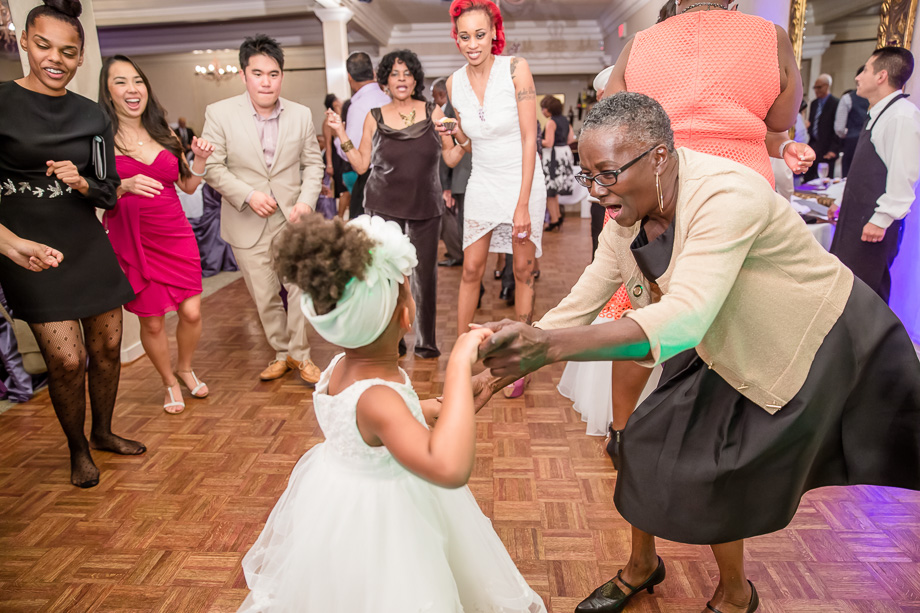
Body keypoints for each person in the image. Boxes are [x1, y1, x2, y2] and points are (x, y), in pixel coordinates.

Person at [473, 92, 920, 613]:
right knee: (635, 443)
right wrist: (521, 352)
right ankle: (644, 567)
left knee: (722, 470)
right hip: (723, 339)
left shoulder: (726, 193)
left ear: (659, 156)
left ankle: (736, 594)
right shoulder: (625, 215)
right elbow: (593, 286)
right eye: (588, 176)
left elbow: (686, 314)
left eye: (607, 174)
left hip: (817, 338)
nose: (597, 192)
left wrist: (549, 347)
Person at [237, 214, 546, 613]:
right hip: (385, 521)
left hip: (339, 503)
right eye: (407, 292)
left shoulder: (342, 369)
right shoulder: (378, 396)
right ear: (405, 316)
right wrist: (457, 367)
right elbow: (448, 466)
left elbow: (388, 423)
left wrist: (459, 398)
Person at [585, 0, 813, 445]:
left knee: (645, 316)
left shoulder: (641, 43)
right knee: (738, 322)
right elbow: (781, 119)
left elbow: (612, 111)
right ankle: (732, 437)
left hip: (662, 196)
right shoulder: (770, 36)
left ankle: (622, 431)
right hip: (737, 198)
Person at [0, 0, 145, 488]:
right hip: (27, 249)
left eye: (67, 51)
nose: (54, 59)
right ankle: (77, 448)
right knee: (66, 359)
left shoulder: (91, 116)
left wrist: (81, 182)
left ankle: (103, 431)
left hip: (85, 242)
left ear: (81, 57)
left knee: (107, 347)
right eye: (43, 46)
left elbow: (108, 189)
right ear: (24, 41)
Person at [202, 34, 325, 384]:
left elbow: (314, 165)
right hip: (246, 218)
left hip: (292, 218)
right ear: (244, 76)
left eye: (273, 73)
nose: (266, 81)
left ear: (281, 76)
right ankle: (282, 352)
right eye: (258, 73)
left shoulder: (300, 115)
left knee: (300, 287)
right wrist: (248, 195)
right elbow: (213, 167)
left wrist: (305, 201)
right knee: (265, 295)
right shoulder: (220, 113)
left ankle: (302, 356)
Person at [328, 50, 466, 359]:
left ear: (415, 78)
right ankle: (393, 339)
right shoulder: (373, 116)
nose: (401, 79)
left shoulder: (435, 112)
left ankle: (426, 342)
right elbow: (362, 165)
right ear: (386, 81)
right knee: (387, 277)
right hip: (383, 207)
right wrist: (339, 133)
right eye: (394, 73)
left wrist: (463, 139)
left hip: (425, 208)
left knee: (425, 277)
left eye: (407, 73)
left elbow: (451, 156)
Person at [99, 55, 215, 414]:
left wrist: (199, 159)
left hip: (174, 233)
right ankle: (168, 382)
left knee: (192, 312)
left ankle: (185, 368)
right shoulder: (100, 141)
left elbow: (189, 186)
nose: (132, 89)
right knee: (151, 320)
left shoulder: (164, 133)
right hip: (133, 239)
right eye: (120, 82)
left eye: (137, 80)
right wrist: (123, 185)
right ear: (108, 92)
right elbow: (93, 193)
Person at [446, 0, 547, 398]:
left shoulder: (515, 69)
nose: (473, 44)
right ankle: (461, 357)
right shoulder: (454, 84)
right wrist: (451, 136)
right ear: (457, 38)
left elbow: (528, 138)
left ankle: (519, 359)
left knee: (522, 271)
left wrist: (521, 204)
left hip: (523, 180)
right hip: (483, 181)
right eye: (464, 36)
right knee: (471, 270)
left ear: (494, 34)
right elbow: (467, 146)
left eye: (480, 35)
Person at [829, 47, 920, 304]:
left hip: (873, 226)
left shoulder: (902, 116)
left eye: (865, 70)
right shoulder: (880, 113)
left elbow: (904, 176)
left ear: (881, 76)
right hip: (857, 219)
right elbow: (867, 170)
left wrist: (881, 219)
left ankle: (874, 345)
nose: (858, 77)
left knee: (867, 299)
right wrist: (840, 198)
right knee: (847, 291)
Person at [335, 52, 391, 220]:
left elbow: (353, 153)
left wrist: (339, 140)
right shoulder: (388, 99)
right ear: (373, 72)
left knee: (366, 238)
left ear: (349, 77)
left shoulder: (358, 106)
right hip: (394, 177)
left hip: (370, 180)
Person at [432, 77, 472, 267]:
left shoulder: (448, 112)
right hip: (466, 176)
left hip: (462, 175)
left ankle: (463, 258)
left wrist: (445, 185)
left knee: (461, 223)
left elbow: (445, 151)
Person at [540, 94, 576, 231]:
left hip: (553, 157)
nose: (543, 111)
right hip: (564, 153)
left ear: (548, 109)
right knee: (554, 191)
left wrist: (535, 139)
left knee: (550, 190)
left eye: (543, 108)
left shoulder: (551, 122)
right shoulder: (566, 120)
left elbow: (548, 143)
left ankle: (554, 220)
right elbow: (571, 139)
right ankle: (558, 217)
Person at [803, 73, 841, 182]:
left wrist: (834, 149)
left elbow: (838, 129)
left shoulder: (836, 103)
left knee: (825, 179)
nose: (816, 90)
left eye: (819, 87)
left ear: (827, 86)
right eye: (815, 87)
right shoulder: (814, 103)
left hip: (828, 147)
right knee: (809, 178)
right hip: (814, 144)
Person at [833, 66, 870, 178]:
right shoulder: (879, 100)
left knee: (849, 178)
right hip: (870, 145)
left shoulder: (848, 98)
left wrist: (850, 133)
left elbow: (839, 128)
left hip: (852, 143)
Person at [322, 93, 350, 218]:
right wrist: (329, 164)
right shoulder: (328, 122)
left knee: (346, 190)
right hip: (334, 158)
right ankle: (339, 217)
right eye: (339, 100)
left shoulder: (345, 117)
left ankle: (341, 217)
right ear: (335, 104)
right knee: (342, 190)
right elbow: (328, 145)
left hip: (344, 154)